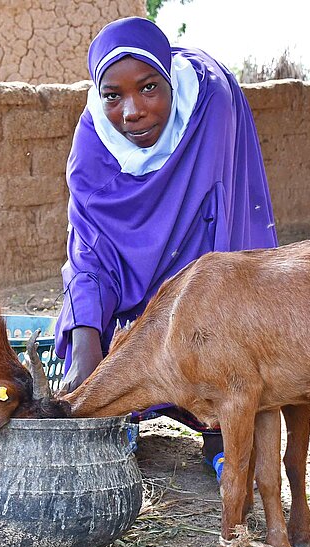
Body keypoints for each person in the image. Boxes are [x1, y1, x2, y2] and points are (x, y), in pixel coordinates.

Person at [55, 16, 278, 466]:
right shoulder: (93, 146)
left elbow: (223, 216)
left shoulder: (209, 105)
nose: (132, 111)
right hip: (128, 283)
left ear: (170, 80)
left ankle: (220, 430)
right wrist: (87, 349)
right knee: (94, 344)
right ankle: (118, 410)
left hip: (200, 248)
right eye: (112, 96)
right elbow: (89, 254)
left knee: (214, 307)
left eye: (149, 88)